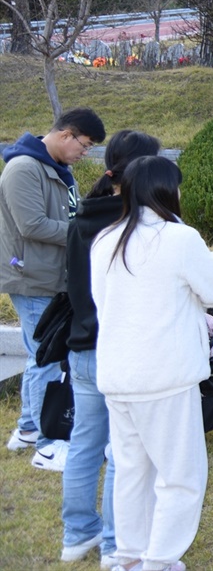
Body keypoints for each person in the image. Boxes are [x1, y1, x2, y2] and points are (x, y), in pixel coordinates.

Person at [91, 156, 213, 571]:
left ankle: (130, 554)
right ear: (167, 190)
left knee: (132, 469)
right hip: (165, 375)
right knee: (180, 475)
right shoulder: (179, 237)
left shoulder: (106, 238)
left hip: (118, 373)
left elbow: (105, 302)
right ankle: (159, 558)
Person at [61, 130, 161, 567]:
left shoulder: (84, 213)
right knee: (125, 452)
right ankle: (116, 544)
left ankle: (77, 535)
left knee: (85, 444)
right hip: (121, 349)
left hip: (82, 343)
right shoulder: (133, 223)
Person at [1, 107, 105, 471]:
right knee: (44, 357)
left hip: (53, 276)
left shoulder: (58, 169)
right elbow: (31, 225)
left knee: (41, 355)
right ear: (66, 134)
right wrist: (85, 235)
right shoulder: (23, 168)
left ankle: (29, 429)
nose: (85, 152)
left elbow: (69, 216)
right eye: (85, 144)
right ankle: (47, 445)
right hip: (32, 277)